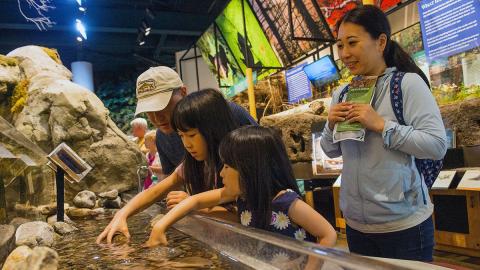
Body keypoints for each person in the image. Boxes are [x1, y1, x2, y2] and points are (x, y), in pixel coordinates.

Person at [320, 5, 447, 261]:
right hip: (356, 227)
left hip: (404, 227)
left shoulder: (407, 85)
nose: (344, 54)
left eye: (352, 43)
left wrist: (382, 126)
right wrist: (330, 125)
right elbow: (330, 149)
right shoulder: (342, 93)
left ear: (380, 42)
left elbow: (436, 145)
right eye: (340, 46)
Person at [146, 126, 337, 248]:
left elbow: (327, 234)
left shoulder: (286, 203)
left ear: (250, 169)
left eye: (227, 167)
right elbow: (195, 200)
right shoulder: (242, 195)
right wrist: (161, 226)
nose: (221, 174)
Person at [97, 88, 246, 245]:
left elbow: (243, 215)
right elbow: (156, 190)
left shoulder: (236, 163)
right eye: (181, 136)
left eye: (192, 135)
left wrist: (191, 206)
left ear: (213, 128)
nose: (187, 144)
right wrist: (122, 214)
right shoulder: (194, 162)